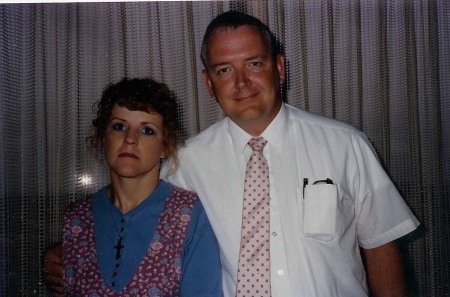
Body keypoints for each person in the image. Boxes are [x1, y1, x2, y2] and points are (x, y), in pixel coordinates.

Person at [44, 11, 419, 297]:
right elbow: (133, 213)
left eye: (254, 64)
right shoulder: (184, 162)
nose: (241, 83)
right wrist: (65, 250)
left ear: (280, 67)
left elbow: (381, 246)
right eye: (225, 70)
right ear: (208, 82)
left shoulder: (345, 145)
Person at [50, 77, 222, 296]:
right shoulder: (76, 218)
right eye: (119, 126)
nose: (130, 139)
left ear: (165, 146)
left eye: (147, 130)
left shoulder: (188, 215)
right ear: (103, 138)